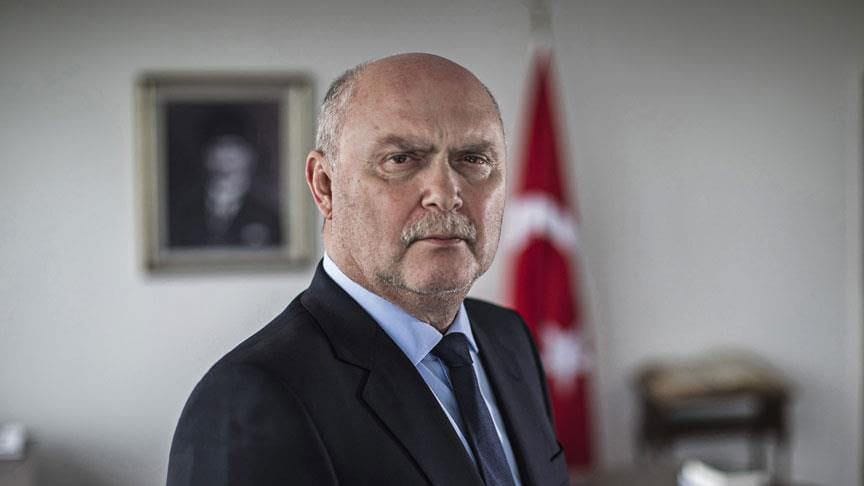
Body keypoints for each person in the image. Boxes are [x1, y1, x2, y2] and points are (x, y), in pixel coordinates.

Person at [166, 53, 570, 486]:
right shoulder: (247, 400)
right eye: (401, 159)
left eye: (474, 158)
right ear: (325, 186)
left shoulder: (509, 339)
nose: (446, 193)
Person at [169, 133, 283, 248]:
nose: (226, 155)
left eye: (235, 147)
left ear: (250, 157)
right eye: (220, 146)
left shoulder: (267, 215)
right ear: (207, 158)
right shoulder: (183, 212)